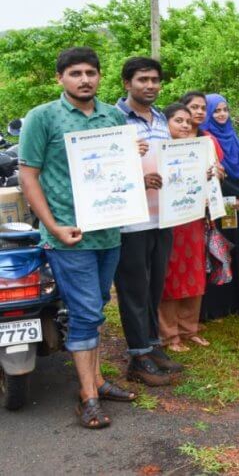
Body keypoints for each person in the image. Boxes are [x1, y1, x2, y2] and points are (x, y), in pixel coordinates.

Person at [20, 47, 138, 429]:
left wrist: (131, 155)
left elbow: (116, 172)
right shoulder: (42, 118)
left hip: (109, 231)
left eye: (91, 72)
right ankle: (87, 396)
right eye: (75, 73)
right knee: (87, 312)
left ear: (100, 76)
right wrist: (52, 227)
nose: (84, 79)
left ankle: (99, 381)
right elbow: (28, 175)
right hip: (68, 235)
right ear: (60, 78)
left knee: (97, 304)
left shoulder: (112, 115)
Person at [111, 57, 179, 386]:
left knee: (154, 287)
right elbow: (101, 170)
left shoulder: (162, 118)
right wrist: (136, 174)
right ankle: (137, 357)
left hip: (162, 216)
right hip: (130, 220)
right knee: (133, 288)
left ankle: (153, 347)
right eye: (142, 79)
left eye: (154, 79)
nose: (149, 85)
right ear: (127, 83)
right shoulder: (112, 119)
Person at [158, 103, 215, 352]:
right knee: (171, 276)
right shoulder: (156, 151)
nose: (184, 125)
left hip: (193, 218)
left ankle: (189, 329)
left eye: (188, 122)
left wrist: (213, 176)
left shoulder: (198, 149)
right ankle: (169, 335)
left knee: (194, 272)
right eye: (178, 121)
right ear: (166, 124)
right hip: (168, 221)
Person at [199, 94, 239, 321]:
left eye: (224, 109)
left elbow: (238, 170)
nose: (221, 114)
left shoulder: (232, 136)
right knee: (216, 251)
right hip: (217, 202)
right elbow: (215, 175)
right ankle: (214, 306)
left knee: (230, 248)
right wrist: (238, 193)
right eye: (216, 110)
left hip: (234, 203)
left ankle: (231, 302)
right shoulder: (205, 138)